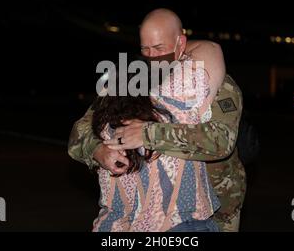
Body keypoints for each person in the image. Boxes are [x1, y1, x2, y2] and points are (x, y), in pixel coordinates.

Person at [69, 9, 246, 231]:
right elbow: (81, 129)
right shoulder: (133, 81)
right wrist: (97, 151)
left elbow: (221, 141)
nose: (152, 57)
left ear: (181, 44)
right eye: (146, 49)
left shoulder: (214, 81)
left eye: (160, 48)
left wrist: (149, 134)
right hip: (147, 215)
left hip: (216, 208)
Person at [91, 58, 220, 231]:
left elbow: (116, 207)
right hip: (186, 225)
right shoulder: (179, 115)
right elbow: (207, 64)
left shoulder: (107, 137)